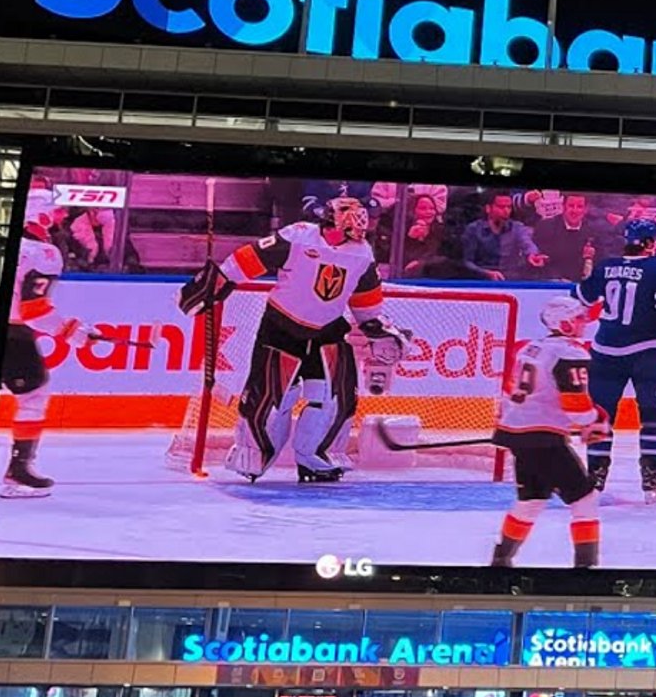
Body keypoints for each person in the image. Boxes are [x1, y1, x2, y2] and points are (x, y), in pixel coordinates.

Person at [177, 195, 407, 482]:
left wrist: (377, 328)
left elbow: (367, 305)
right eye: (353, 225)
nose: (360, 232)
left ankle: (317, 458)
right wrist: (216, 281)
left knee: (333, 399)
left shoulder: (362, 254)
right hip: (280, 326)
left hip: (328, 329)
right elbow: (250, 258)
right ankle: (253, 454)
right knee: (273, 400)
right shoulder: (298, 237)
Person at [573, 219, 656, 503]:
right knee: (653, 416)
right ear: (649, 243)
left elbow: (580, 296)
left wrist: (589, 271)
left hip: (605, 351)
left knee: (602, 415)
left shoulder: (605, 266)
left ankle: (595, 476)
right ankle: (650, 475)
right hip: (647, 352)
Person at [489, 297, 611, 569]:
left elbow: (512, 393)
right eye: (578, 318)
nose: (583, 323)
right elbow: (577, 408)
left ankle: (500, 560)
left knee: (531, 500)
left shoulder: (530, 348)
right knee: (585, 499)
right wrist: (596, 420)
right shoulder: (571, 353)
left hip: (518, 433)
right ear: (564, 323)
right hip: (543, 438)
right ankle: (586, 568)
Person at [0, 184, 90, 496]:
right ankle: (19, 469)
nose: (58, 219)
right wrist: (73, 333)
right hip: (13, 336)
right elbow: (34, 311)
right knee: (33, 396)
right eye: (54, 212)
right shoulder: (43, 253)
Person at [462, 193, 544, 280]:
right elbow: (467, 262)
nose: (506, 211)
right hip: (483, 281)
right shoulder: (474, 229)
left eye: (509, 207)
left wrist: (532, 255)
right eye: (501, 207)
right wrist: (486, 273)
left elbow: (527, 243)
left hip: (511, 280)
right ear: (488, 209)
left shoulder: (516, 227)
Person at [533, 194, 607, 281]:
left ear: (585, 210)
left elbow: (602, 261)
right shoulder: (546, 227)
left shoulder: (594, 231)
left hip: (580, 284)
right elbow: (543, 260)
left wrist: (592, 257)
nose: (575, 211)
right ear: (563, 207)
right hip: (552, 282)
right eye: (571, 206)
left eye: (579, 207)